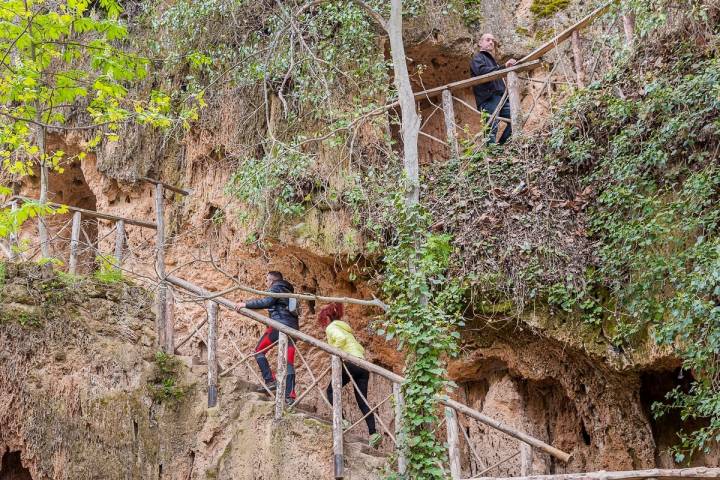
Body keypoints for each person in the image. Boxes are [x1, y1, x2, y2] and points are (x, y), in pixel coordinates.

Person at [318, 303, 382, 447]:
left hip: (351, 363)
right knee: (362, 401)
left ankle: (342, 421)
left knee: (330, 391)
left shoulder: (332, 327)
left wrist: (335, 352)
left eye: (323, 320)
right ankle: (374, 434)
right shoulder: (347, 330)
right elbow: (359, 348)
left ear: (328, 317)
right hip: (363, 365)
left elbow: (340, 339)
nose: (323, 324)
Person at [235, 271, 299, 404]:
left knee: (259, 351)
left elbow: (267, 301)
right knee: (289, 363)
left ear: (271, 280)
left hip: (278, 327)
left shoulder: (276, 287)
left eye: (266, 280)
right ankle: (290, 396)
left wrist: (245, 304)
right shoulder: (290, 292)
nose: (266, 283)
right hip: (293, 330)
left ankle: (270, 380)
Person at [470, 33, 518, 145]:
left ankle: (500, 147)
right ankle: (491, 155)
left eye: (493, 40)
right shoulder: (477, 58)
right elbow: (481, 72)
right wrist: (502, 67)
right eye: (488, 40)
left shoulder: (493, 61)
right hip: (489, 98)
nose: (491, 42)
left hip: (501, 98)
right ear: (480, 43)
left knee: (516, 117)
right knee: (492, 127)